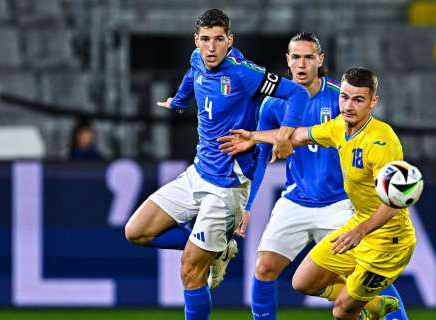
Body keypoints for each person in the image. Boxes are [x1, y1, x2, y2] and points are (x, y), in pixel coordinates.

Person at [123, 9, 309, 320]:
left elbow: (297, 93)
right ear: (196, 41)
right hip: (197, 174)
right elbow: (190, 76)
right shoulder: (197, 59)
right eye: (205, 40)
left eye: (218, 40)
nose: (211, 47)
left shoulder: (242, 72)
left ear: (229, 41)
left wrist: (283, 135)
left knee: (191, 271)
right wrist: (179, 102)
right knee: (136, 232)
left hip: (227, 188)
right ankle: (218, 247)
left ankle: (211, 247)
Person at [218, 34, 408, 320]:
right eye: (296, 57)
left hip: (339, 204)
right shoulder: (273, 105)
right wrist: (246, 205)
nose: (302, 64)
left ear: (320, 60)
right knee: (264, 267)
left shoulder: (339, 99)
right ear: (287, 60)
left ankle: (392, 314)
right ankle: (370, 308)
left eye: (309, 57)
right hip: (296, 199)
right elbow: (260, 158)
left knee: (365, 274)